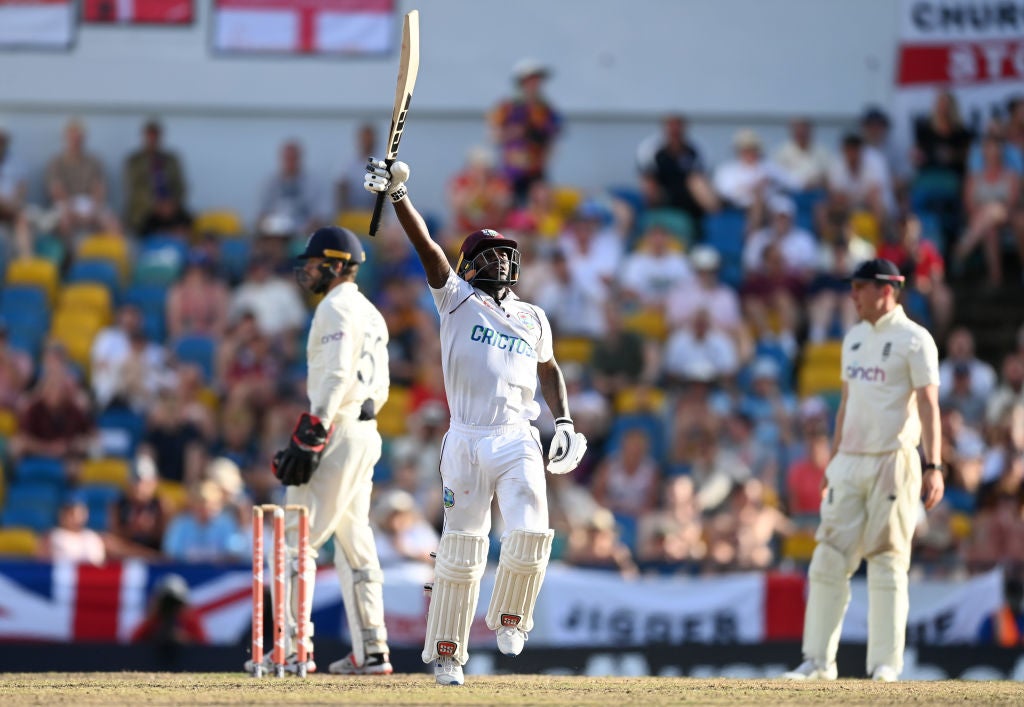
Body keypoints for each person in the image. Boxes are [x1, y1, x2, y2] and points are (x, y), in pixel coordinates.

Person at [364, 158, 587, 686]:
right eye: (488, 255)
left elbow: (549, 368)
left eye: (507, 254)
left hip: (518, 436)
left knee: (532, 527)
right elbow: (429, 251)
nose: (501, 262)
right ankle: (447, 651)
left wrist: (567, 422)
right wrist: (399, 196)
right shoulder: (456, 299)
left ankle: (511, 616)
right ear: (468, 267)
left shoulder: (533, 316)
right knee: (462, 548)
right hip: (465, 438)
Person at [782, 258, 944, 683]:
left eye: (859, 288)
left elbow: (929, 406)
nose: (851, 296)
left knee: (888, 560)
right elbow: (847, 406)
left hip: (894, 459)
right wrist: (833, 461)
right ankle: (817, 662)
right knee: (828, 558)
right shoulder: (853, 338)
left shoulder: (915, 340)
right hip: (849, 462)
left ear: (885, 290)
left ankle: (885, 667)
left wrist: (934, 465)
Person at [246, 226, 393, 678]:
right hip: (367, 431)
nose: (306, 271)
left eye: (312, 263)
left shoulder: (335, 306)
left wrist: (315, 430)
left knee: (297, 540)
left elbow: (335, 374)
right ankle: (372, 648)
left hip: (337, 427)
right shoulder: (371, 311)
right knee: (354, 542)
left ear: (333, 264)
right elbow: (381, 387)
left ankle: (292, 649)